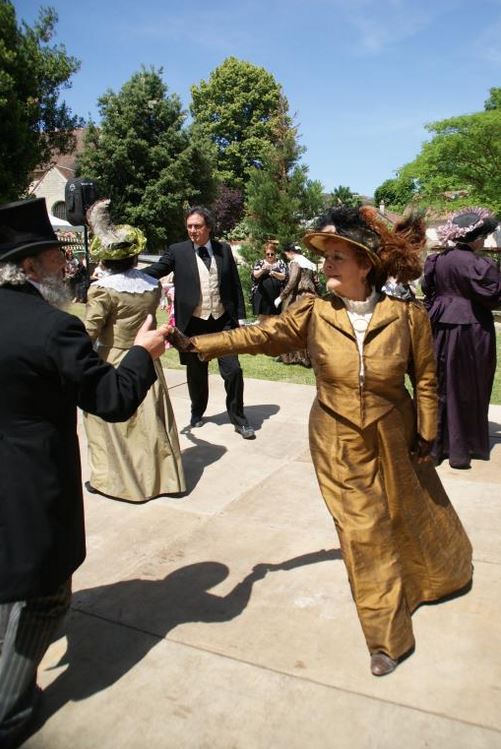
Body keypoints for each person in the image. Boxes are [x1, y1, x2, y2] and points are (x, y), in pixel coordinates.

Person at [170, 205, 473, 677]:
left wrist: (428, 432)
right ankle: (386, 636)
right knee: (363, 531)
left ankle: (441, 577)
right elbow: (259, 334)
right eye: (325, 256)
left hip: (396, 431)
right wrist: (197, 346)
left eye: (336, 257)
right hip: (335, 437)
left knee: (412, 511)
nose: (326, 264)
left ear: (364, 264)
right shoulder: (312, 312)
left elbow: (426, 379)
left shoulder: (406, 315)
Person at [0, 197, 171, 747]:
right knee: (41, 596)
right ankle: (9, 710)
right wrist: (144, 351)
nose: (65, 265)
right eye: (55, 257)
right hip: (30, 488)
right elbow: (113, 399)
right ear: (29, 267)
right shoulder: (53, 330)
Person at [83, 199, 186, 501]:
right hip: (146, 356)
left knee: (112, 422)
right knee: (149, 421)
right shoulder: (150, 285)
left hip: (114, 358)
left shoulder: (103, 288)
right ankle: (163, 480)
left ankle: (119, 483)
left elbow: (90, 330)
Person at [143, 205, 255, 439]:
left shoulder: (224, 250)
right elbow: (156, 269)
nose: (193, 230)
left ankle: (239, 419)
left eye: (197, 226)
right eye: (189, 226)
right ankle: (197, 411)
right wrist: (126, 273)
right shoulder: (177, 251)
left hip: (222, 322)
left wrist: (241, 318)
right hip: (193, 324)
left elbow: (234, 285)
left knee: (233, 371)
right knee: (196, 374)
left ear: (209, 228)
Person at [422, 207, 501, 469]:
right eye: (484, 235)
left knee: (439, 381)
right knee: (469, 384)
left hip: (440, 325)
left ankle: (435, 446)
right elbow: (494, 297)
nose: (485, 241)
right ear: (474, 238)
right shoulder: (480, 265)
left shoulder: (437, 260)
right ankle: (462, 447)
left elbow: (429, 290)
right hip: (472, 329)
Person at [276, 242, 319, 366]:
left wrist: (282, 296)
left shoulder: (295, 262)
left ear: (290, 252)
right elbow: (316, 282)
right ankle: (309, 357)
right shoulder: (310, 264)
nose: (287, 257)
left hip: (299, 297)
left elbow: (293, 280)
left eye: (286, 255)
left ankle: (293, 357)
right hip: (311, 296)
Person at [250, 240, 288, 318]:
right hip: (262, 296)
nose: (270, 256)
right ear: (265, 254)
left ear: (275, 254)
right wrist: (263, 270)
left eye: (272, 254)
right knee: (262, 319)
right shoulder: (260, 263)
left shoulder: (280, 263)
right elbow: (254, 275)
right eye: (268, 254)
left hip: (277, 296)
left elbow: (285, 276)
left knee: (276, 319)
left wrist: (274, 273)